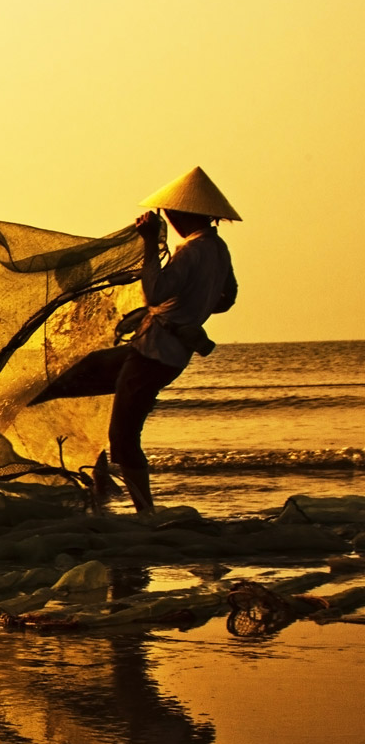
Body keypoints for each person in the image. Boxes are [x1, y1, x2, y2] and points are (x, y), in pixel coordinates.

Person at [103, 166, 240, 513]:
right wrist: (194, 310)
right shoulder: (218, 248)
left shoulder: (191, 251)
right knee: (89, 378)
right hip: (167, 351)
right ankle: (108, 489)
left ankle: (144, 512)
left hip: (153, 352)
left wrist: (149, 244)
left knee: (122, 435)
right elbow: (228, 297)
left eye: (169, 213)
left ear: (184, 213)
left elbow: (155, 291)